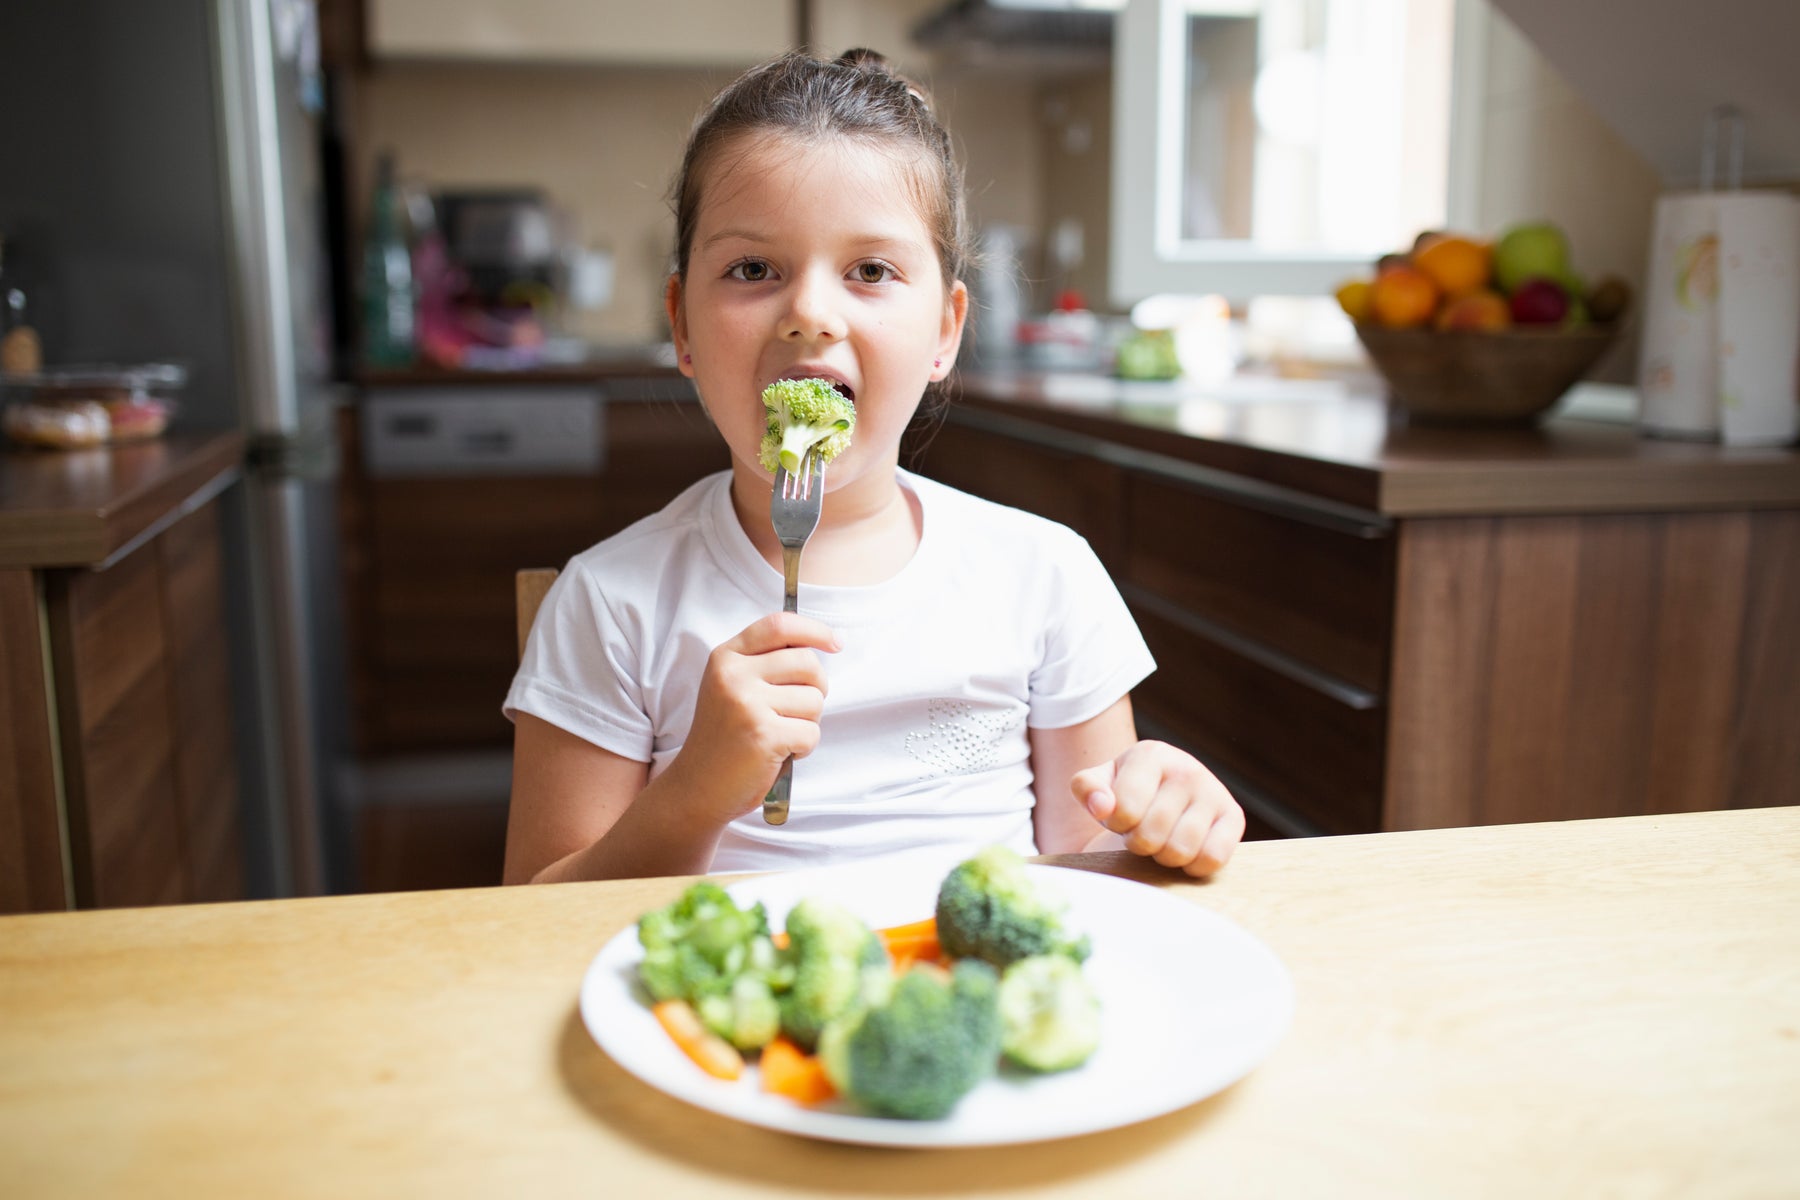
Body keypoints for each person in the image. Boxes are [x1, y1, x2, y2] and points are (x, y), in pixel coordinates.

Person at [503, 49, 1243, 885]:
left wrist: (1161, 818)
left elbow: (1094, 871)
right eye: (753, 270)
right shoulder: (610, 604)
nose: (811, 313)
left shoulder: (1044, 574)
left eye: (870, 272)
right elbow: (535, 917)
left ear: (945, 330)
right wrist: (693, 794)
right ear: (680, 323)